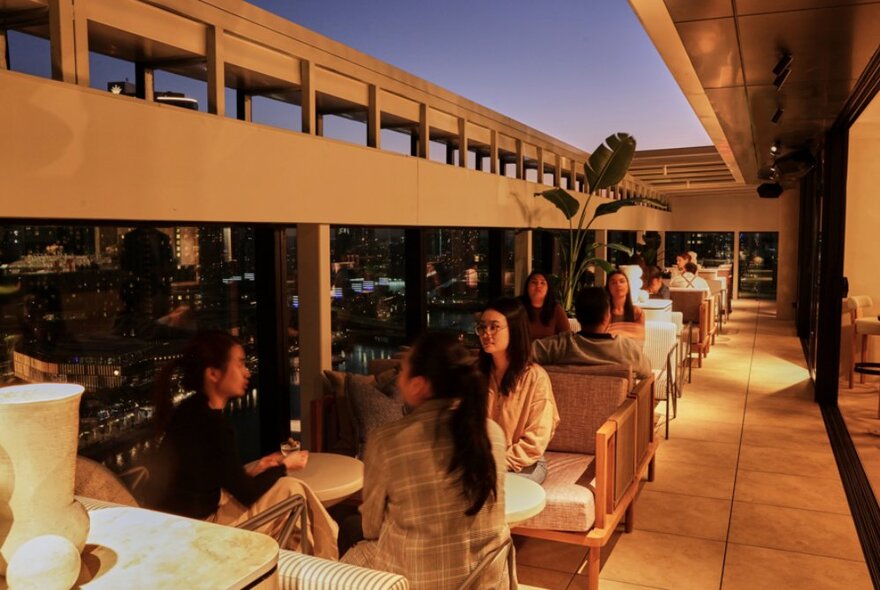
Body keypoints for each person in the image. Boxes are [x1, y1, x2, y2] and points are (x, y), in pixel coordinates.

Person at [341, 333, 512, 589]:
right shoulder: (493, 434)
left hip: (417, 581)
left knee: (348, 534)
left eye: (402, 370)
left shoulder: (387, 441)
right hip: (488, 578)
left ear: (419, 385)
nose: (398, 378)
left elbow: (371, 528)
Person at [150, 330, 338, 559]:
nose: (246, 372)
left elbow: (215, 477)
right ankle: (323, 559)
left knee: (288, 493)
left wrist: (259, 468)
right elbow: (246, 494)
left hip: (171, 525)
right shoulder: (214, 426)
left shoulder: (190, 410)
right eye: (239, 364)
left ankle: (309, 559)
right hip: (199, 533)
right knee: (293, 491)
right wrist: (285, 465)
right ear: (213, 374)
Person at [478, 297, 559, 483]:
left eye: (494, 327)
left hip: (523, 463)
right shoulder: (477, 374)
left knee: (495, 488)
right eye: (482, 327)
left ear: (513, 330)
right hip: (482, 462)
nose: (486, 333)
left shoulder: (535, 378)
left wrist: (496, 463)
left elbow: (535, 442)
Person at [532, 287, 652, 380]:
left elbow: (524, 355)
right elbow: (647, 370)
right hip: (619, 411)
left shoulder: (560, 345)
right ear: (607, 316)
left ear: (577, 317)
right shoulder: (625, 348)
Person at [519, 270, 571, 340]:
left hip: (549, 350)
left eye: (542, 283)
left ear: (548, 288)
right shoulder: (517, 306)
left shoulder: (555, 309)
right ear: (527, 286)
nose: (538, 285)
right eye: (534, 282)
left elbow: (567, 337)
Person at [605, 269, 645, 341]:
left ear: (628, 286)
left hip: (631, 350)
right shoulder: (604, 312)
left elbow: (640, 341)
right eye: (613, 283)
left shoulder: (637, 312)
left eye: (622, 281)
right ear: (608, 288)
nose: (618, 285)